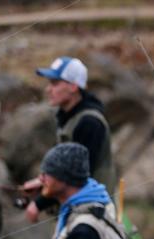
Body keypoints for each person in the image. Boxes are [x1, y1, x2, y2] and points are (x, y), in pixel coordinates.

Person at [22, 56, 116, 223]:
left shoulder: (89, 123)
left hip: (93, 215)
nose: (48, 90)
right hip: (77, 210)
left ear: (73, 86)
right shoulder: (68, 117)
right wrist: (42, 182)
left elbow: (75, 177)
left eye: (55, 83)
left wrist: (39, 203)